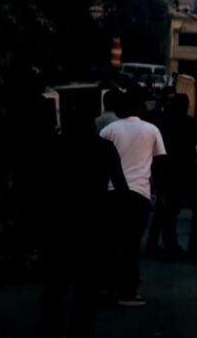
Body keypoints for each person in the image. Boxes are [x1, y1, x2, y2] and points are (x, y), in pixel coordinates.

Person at [39, 103, 128, 337]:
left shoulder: (54, 146)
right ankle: (80, 330)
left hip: (59, 220)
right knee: (87, 284)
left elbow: (41, 186)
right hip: (93, 220)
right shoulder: (104, 148)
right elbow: (120, 186)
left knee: (56, 281)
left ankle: (52, 328)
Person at [100, 89, 167, 307]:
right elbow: (159, 164)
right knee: (130, 243)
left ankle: (109, 284)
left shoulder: (109, 130)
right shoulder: (152, 130)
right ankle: (128, 291)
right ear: (140, 108)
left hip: (112, 193)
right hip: (139, 193)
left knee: (111, 241)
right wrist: (159, 191)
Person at [145, 94, 197, 260]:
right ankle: (194, 247)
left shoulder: (162, 123)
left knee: (166, 210)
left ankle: (168, 245)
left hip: (168, 170)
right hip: (189, 170)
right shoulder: (191, 123)